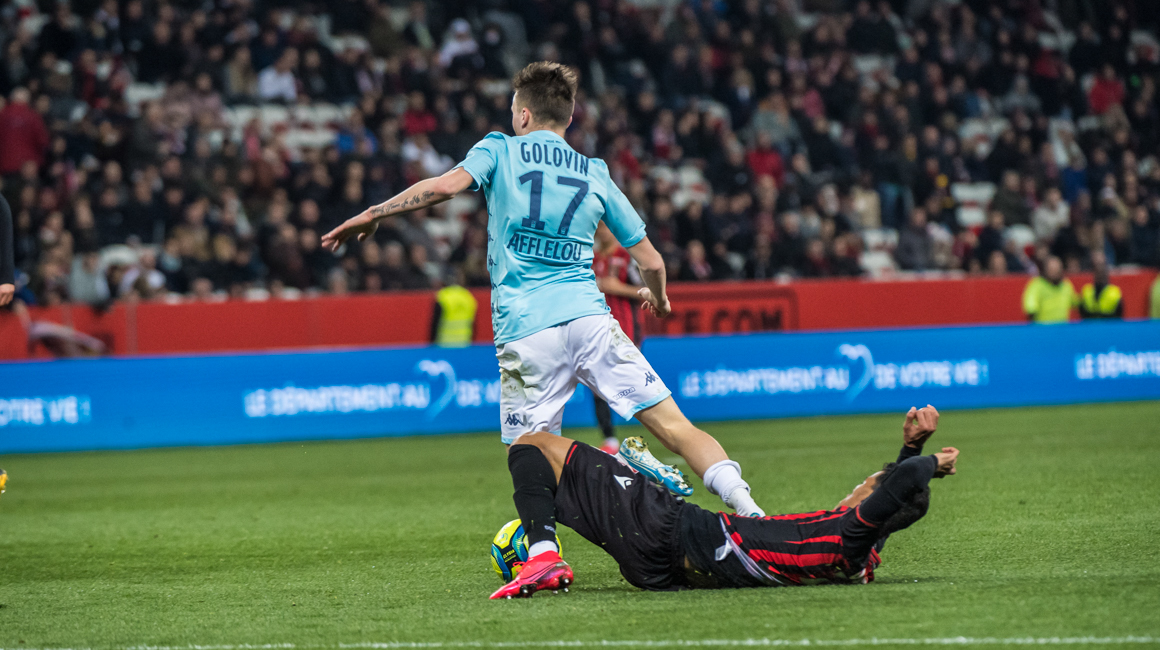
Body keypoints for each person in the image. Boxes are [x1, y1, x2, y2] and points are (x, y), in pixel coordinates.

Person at [323, 62, 765, 520]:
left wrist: (374, 213)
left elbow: (444, 187)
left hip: (527, 329)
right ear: (568, 118)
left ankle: (600, 494)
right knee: (675, 426)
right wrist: (660, 297)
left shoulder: (499, 148)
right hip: (590, 319)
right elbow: (651, 261)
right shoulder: (594, 171)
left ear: (523, 115)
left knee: (530, 456)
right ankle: (750, 511)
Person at [490, 405, 958, 599]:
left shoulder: (847, 533)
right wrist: (910, 448)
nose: (854, 490)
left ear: (872, 502)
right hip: (662, 568)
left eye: (864, 486)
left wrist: (930, 460)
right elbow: (893, 502)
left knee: (532, 444)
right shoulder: (858, 557)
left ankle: (542, 555)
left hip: (670, 530)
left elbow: (898, 487)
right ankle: (634, 480)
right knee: (561, 474)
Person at [590, 221, 640, 454]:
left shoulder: (626, 257)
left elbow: (646, 291)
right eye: (598, 228)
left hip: (625, 329)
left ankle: (661, 427)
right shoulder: (591, 259)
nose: (602, 232)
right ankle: (609, 438)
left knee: (631, 380)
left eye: (606, 227)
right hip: (596, 330)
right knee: (596, 384)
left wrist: (617, 288)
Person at [1022, 256, 1076, 323]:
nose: (1055, 273)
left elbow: (1075, 303)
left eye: (1057, 270)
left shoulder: (1066, 285)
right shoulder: (1037, 285)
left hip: (1063, 327)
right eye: (1051, 270)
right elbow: (1030, 308)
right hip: (1042, 327)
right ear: (1045, 270)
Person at [430, 273, 478, 347]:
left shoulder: (442, 296)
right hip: (464, 342)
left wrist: (432, 342)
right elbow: (473, 323)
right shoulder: (467, 296)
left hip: (444, 343)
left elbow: (435, 323)